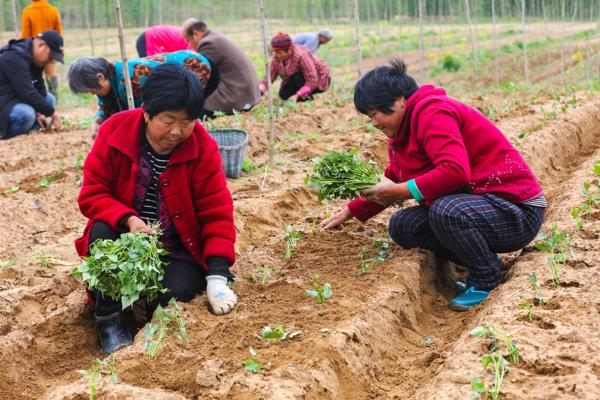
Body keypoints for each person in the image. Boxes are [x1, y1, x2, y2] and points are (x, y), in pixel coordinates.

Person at [321, 59, 546, 311]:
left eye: (374, 113)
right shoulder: (402, 131)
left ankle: (487, 279)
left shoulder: (432, 112)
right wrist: (353, 210)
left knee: (446, 210)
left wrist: (398, 192)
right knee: (403, 226)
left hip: (516, 209)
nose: (374, 122)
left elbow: (455, 172)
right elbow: (394, 175)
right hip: (482, 206)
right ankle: (483, 259)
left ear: (398, 101)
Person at [75, 63, 238, 354]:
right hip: (125, 236)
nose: (177, 131)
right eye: (168, 120)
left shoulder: (202, 148)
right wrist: (128, 219)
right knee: (102, 233)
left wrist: (217, 276)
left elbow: (217, 212)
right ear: (147, 111)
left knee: (178, 292)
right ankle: (109, 317)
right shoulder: (116, 131)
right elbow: (92, 193)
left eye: (187, 122)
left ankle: (149, 308)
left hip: (176, 246)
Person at [67, 50, 219, 137]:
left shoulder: (132, 80)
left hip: (197, 67)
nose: (94, 94)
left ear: (100, 77)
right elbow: (106, 105)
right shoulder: (108, 80)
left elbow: (144, 115)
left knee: (183, 111)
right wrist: (98, 121)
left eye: (93, 90)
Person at [182, 18, 260, 118]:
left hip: (236, 95)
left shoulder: (209, 43)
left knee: (192, 105)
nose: (190, 45)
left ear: (196, 34)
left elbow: (197, 74)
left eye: (189, 40)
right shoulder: (214, 35)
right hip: (245, 92)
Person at [0, 29, 63, 139]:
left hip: (14, 97)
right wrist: (52, 113)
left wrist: (41, 112)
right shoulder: (14, 57)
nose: (51, 61)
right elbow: (27, 93)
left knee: (49, 99)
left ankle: (31, 129)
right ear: (40, 45)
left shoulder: (35, 57)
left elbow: (39, 87)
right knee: (26, 115)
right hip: (4, 100)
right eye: (51, 56)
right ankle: (6, 135)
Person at [259, 32, 330, 102]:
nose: (277, 55)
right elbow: (270, 76)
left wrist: (297, 95)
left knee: (297, 76)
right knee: (283, 94)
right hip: (297, 79)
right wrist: (261, 89)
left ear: (289, 50)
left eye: (280, 53)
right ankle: (301, 95)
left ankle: (306, 96)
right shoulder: (276, 58)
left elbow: (312, 80)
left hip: (317, 79)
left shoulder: (301, 55)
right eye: (276, 52)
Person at [20, 0, 63, 99]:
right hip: (51, 51)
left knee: (33, 77)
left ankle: (37, 101)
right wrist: (59, 51)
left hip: (33, 52)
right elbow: (58, 33)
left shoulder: (27, 11)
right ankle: (54, 99)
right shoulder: (53, 10)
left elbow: (25, 36)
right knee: (51, 75)